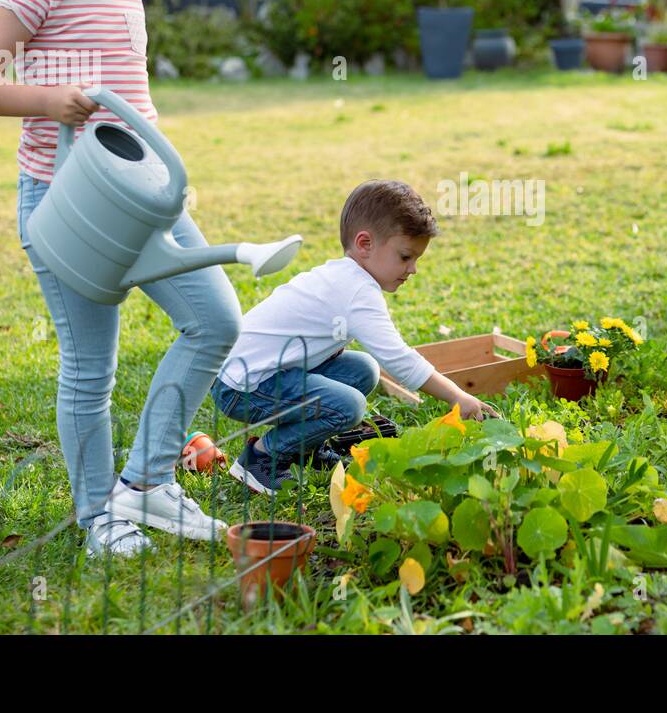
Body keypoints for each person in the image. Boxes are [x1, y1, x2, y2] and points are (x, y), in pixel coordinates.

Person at [0, 0, 234, 558]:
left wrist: (169, 182)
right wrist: (46, 100)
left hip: (144, 202)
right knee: (90, 369)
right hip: (66, 207)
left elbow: (135, 99)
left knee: (216, 320)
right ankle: (97, 514)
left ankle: (147, 486)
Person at [212, 180, 500, 495]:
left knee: (362, 369)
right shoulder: (356, 291)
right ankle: (262, 458)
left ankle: (304, 449)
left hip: (257, 372)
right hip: (242, 386)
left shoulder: (344, 277)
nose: (413, 269)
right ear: (364, 244)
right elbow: (400, 359)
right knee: (348, 406)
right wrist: (457, 396)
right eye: (405, 257)